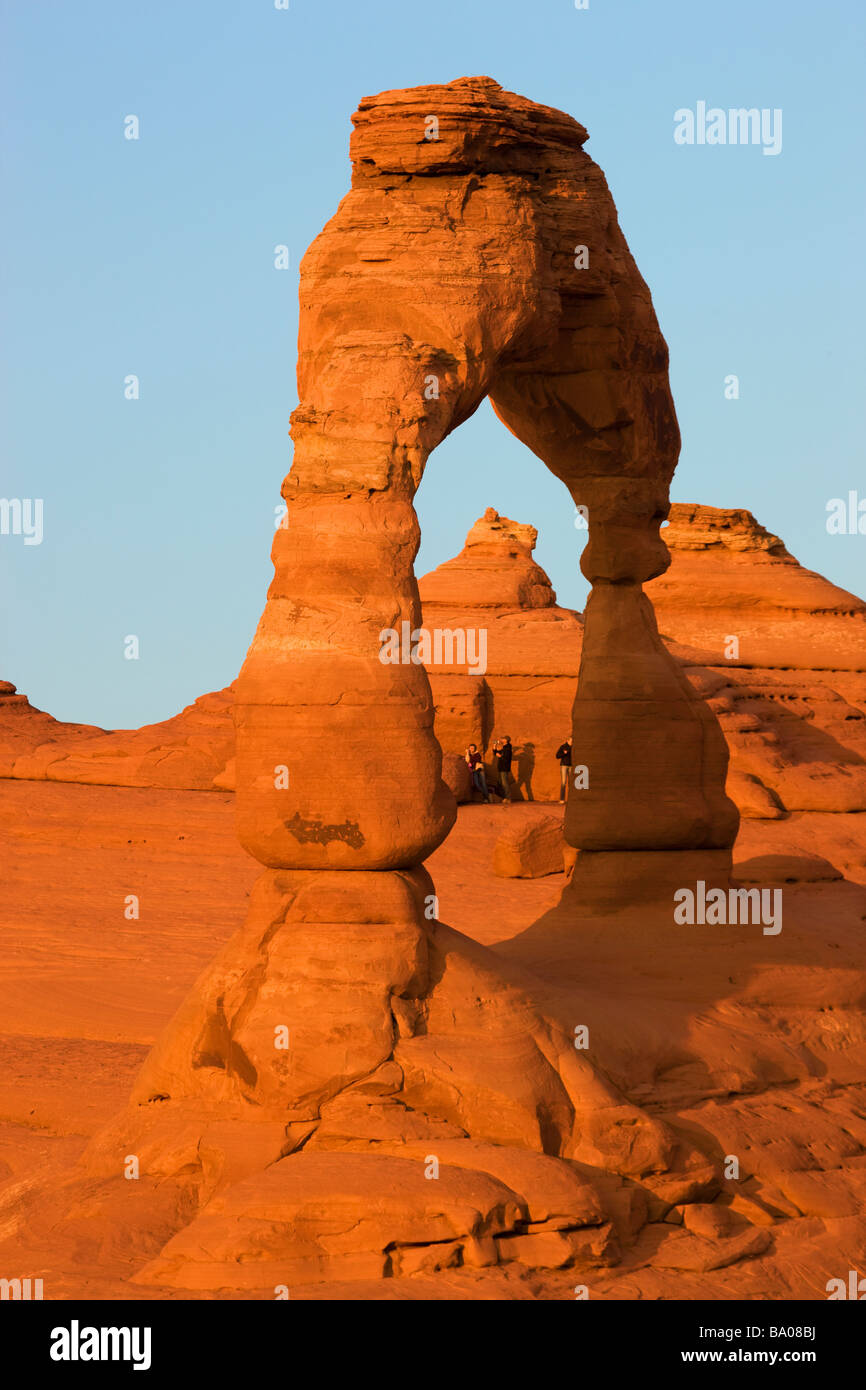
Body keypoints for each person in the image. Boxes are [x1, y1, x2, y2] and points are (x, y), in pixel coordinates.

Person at [493, 735, 514, 804]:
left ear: (506, 740)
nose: (501, 740)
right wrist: (494, 746)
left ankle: (508, 798)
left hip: (504, 768)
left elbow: (506, 758)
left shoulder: (508, 748)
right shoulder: (505, 748)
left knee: (505, 783)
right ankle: (505, 797)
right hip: (501, 767)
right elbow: (496, 753)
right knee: (502, 783)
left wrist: (500, 756)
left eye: (502, 739)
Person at [555, 734, 573, 803]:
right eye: (571, 741)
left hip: (571, 766)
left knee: (571, 784)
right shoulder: (563, 746)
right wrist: (563, 753)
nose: (572, 742)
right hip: (564, 766)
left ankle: (570, 799)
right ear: (568, 740)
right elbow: (557, 756)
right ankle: (562, 799)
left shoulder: (574, 747)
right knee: (563, 783)